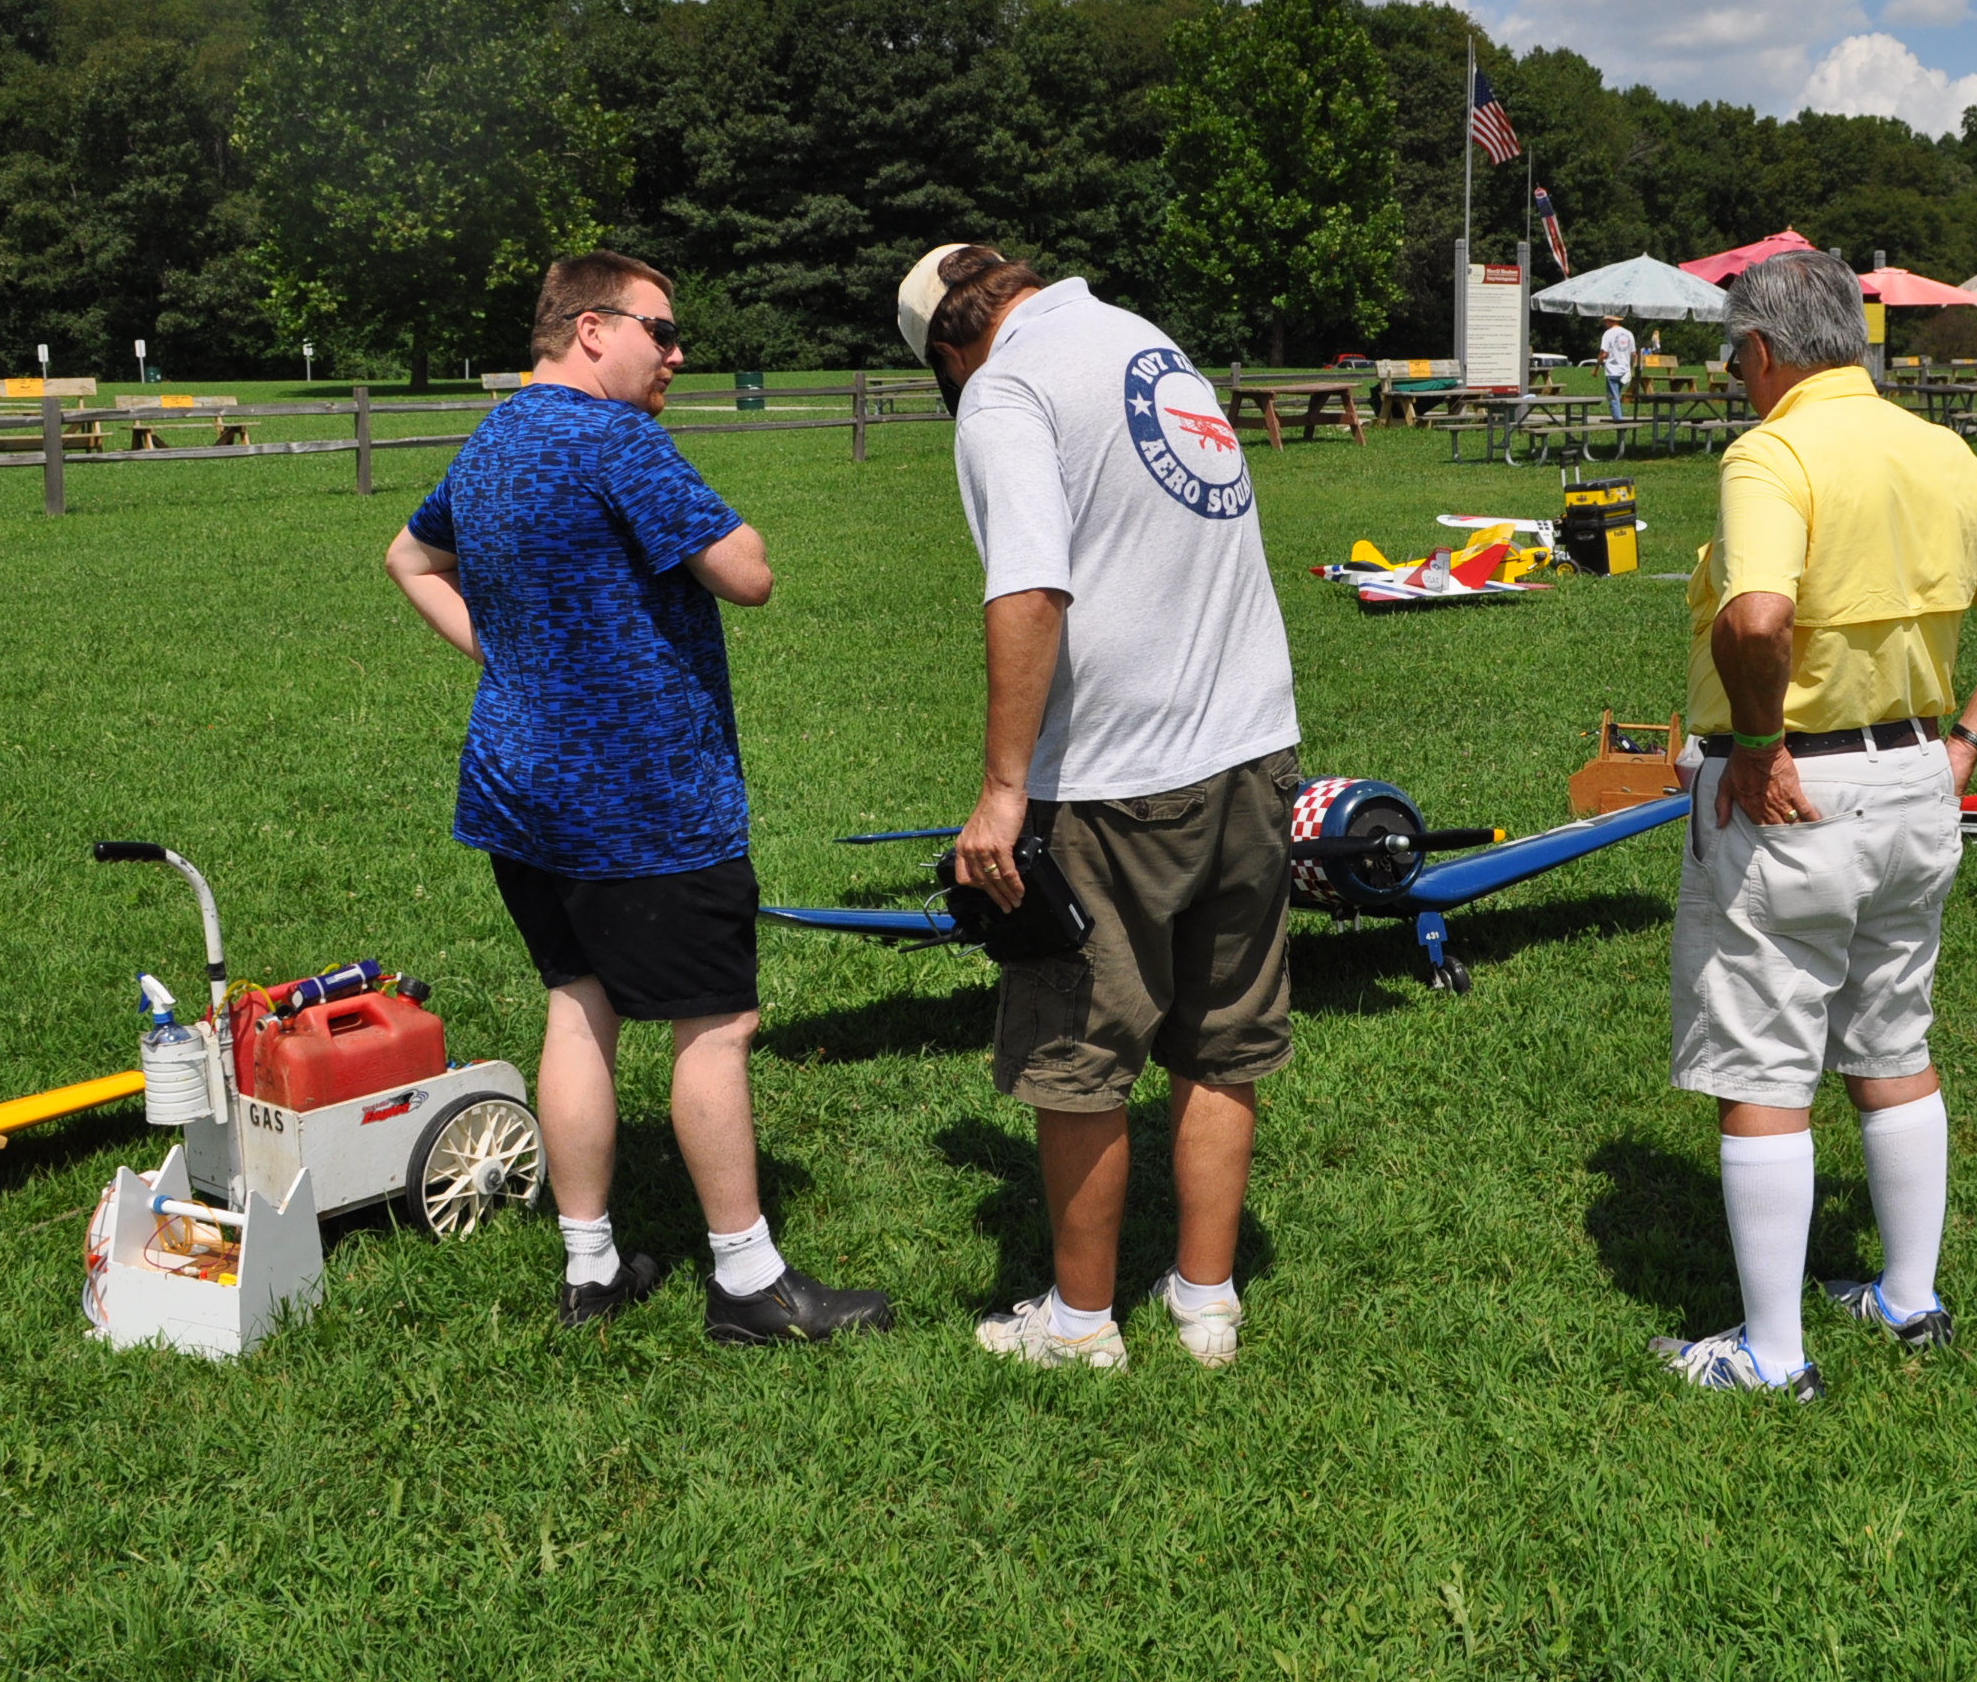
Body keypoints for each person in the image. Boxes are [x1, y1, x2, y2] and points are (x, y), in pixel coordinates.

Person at [385, 251, 892, 1341]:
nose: (677, 353)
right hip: (645, 799)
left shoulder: (489, 443)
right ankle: (751, 1284)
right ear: (590, 330)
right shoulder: (615, 439)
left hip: (520, 794)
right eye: (660, 331)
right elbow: (747, 572)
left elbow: (409, 558)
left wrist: (508, 658)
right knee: (715, 1026)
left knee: (579, 1004)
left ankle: (591, 1271)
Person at [1657, 249, 1977, 1398]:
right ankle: (1909, 1294)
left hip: (1794, 789)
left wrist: (1755, 745)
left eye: (1733, 362)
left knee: (1765, 1059)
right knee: (1893, 1041)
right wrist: (1969, 744)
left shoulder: (1774, 450)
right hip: (1915, 778)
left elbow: (1756, 620)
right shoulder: (1936, 446)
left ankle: (1772, 1351)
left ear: (1758, 352)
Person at [897, 242, 1303, 1373]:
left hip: (1120, 775)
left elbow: (1030, 583)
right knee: (1222, 1040)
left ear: (947, 348)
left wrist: (1000, 790)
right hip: (1253, 745)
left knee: (1080, 1048)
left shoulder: (1006, 388)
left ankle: (1081, 1326)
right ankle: (1206, 1301)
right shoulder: (1144, 342)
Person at [1600, 317, 1638, 420]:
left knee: (1612, 397)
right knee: (1616, 395)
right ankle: (1617, 413)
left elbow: (1604, 354)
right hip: (1625, 372)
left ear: (1611, 321)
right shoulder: (1629, 333)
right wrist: (1629, 368)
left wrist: (1596, 367)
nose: (1605, 323)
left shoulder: (1608, 334)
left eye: (1606, 321)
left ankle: (1618, 420)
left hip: (1612, 371)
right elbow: (1634, 354)